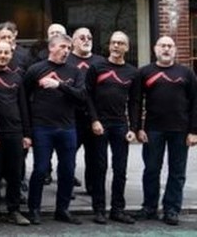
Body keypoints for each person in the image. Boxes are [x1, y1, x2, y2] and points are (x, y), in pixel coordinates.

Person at [23, 33, 86, 225]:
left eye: (68, 48)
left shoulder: (74, 71)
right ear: (51, 48)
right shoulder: (36, 69)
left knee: (67, 170)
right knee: (40, 169)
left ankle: (63, 209)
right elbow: (24, 99)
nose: (65, 51)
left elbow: (82, 97)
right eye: (62, 47)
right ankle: (34, 209)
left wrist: (59, 85)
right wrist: (28, 130)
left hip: (67, 128)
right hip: (42, 127)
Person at [135, 36, 197, 226]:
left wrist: (193, 131)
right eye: (163, 45)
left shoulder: (186, 73)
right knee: (152, 170)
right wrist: (138, 127)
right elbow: (136, 102)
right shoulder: (145, 72)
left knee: (177, 172)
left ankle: (171, 209)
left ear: (175, 50)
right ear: (155, 49)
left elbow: (195, 103)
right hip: (153, 130)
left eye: (170, 46)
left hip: (180, 130)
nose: (166, 49)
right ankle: (149, 207)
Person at [85, 31, 140, 225]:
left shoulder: (133, 72)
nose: (116, 46)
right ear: (109, 46)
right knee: (99, 167)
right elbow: (88, 96)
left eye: (121, 43)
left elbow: (134, 102)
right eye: (113, 43)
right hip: (100, 124)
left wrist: (133, 127)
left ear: (127, 48)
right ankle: (99, 209)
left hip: (120, 125)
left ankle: (118, 209)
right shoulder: (97, 67)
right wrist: (94, 120)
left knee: (120, 168)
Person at [0, 41, 31, 226]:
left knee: (15, 174)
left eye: (6, 53)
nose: (3, 55)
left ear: (11, 55)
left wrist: (27, 134)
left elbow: (23, 106)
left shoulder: (17, 77)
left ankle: (14, 210)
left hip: (15, 132)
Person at [68, 27, 104, 196]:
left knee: (95, 156)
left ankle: (93, 188)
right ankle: (67, 188)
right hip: (72, 116)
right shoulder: (66, 60)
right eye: (81, 37)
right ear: (73, 41)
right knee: (69, 154)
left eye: (89, 37)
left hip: (95, 116)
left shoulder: (100, 62)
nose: (86, 40)